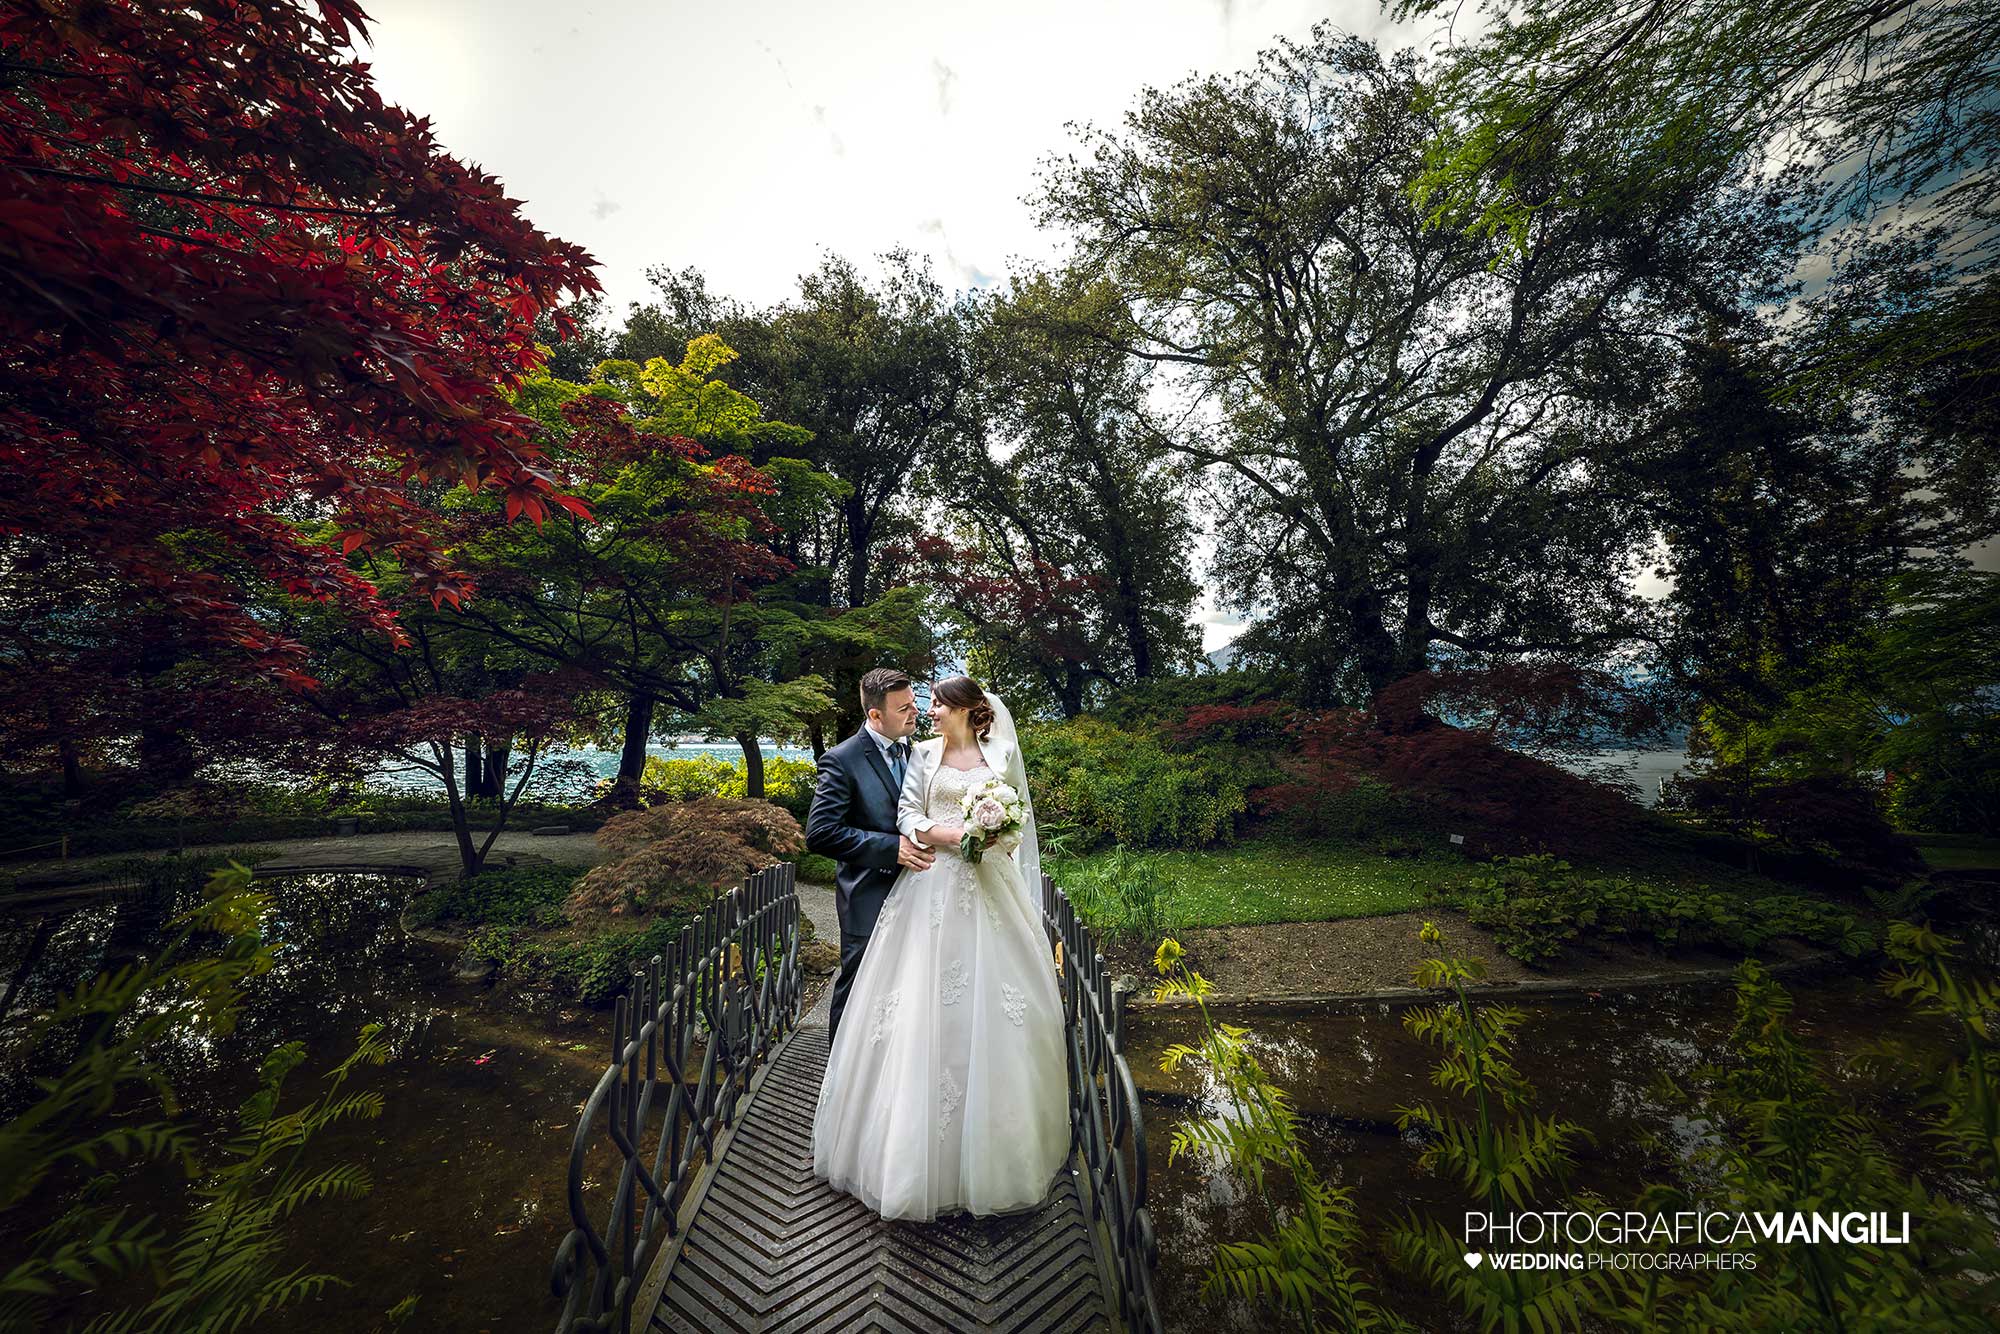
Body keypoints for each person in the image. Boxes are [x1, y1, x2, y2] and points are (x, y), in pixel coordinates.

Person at [810, 674, 1070, 1221]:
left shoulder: (999, 755)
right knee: (905, 1004)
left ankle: (997, 1142)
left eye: (932, 703)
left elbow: (1018, 823)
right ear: (878, 712)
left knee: (994, 1006)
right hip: (927, 887)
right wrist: (944, 834)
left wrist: (995, 834)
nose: (925, 711)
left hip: (988, 888)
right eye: (915, 704)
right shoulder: (920, 756)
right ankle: (887, 1132)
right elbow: (905, 813)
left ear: (967, 710)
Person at [805, 667, 937, 1048]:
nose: (914, 713)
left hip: (918, 894)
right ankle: (838, 1079)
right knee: (857, 987)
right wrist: (890, 848)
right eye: (903, 709)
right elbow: (820, 833)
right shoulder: (842, 760)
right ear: (874, 715)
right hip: (868, 896)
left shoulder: (918, 754)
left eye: (914, 704)